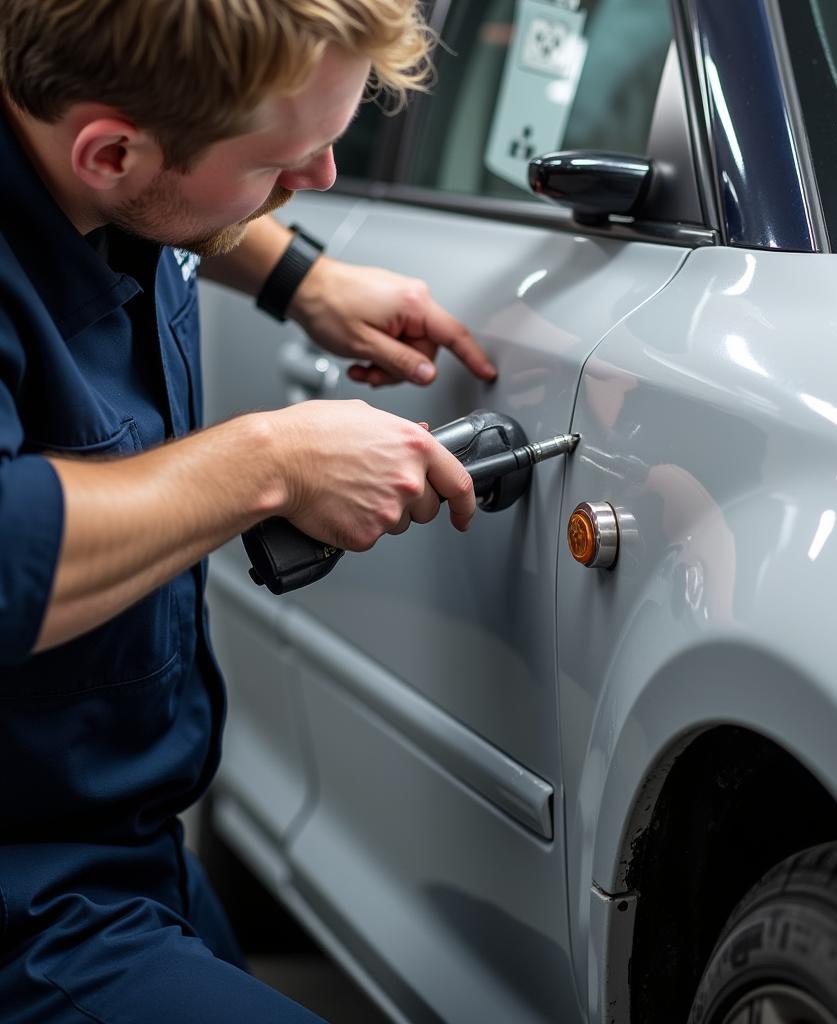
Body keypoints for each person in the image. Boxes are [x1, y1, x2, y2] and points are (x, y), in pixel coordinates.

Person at [0, 1, 496, 1020]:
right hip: (28, 896)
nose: (317, 182)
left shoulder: (89, 137)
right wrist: (269, 460)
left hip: (135, 850)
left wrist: (296, 274)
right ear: (112, 154)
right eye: (286, 160)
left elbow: (168, 200)